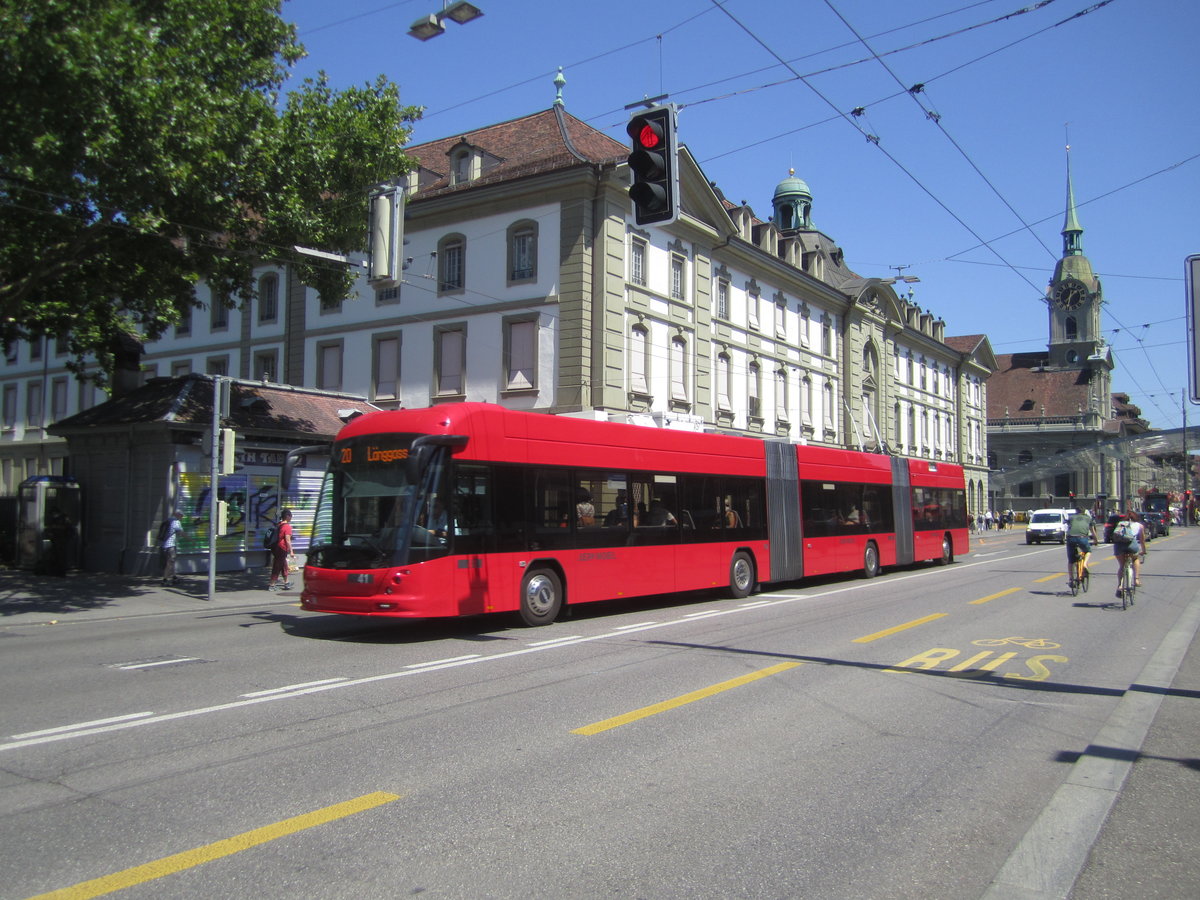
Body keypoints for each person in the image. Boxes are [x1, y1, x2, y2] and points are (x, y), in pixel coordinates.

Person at [1111, 511, 1146, 596]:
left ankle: (1120, 585)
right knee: (1135, 558)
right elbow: (1142, 540)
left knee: (1122, 566)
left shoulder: (1121, 524)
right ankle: (1136, 579)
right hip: (1131, 545)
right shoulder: (1139, 526)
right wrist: (1144, 551)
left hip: (1119, 546)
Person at [1065, 505, 1096, 583]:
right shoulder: (1088, 518)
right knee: (1088, 551)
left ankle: (1071, 579)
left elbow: (1068, 527)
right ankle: (1085, 564)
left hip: (1071, 538)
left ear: (1076, 511)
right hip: (1082, 538)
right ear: (1084, 512)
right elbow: (1092, 531)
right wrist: (1096, 540)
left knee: (1071, 561)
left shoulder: (1071, 517)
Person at [268, 508, 294, 591]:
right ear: (287, 516)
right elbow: (288, 540)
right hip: (282, 548)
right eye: (290, 516)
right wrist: (291, 551)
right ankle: (272, 584)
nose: (291, 518)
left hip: (276, 548)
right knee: (277, 566)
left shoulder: (279, 524)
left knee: (283, 565)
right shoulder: (287, 527)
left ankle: (286, 582)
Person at [160, 511, 184, 586]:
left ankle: (174, 577)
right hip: (170, 546)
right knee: (169, 563)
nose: (182, 517)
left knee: (172, 562)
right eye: (181, 515)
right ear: (178, 515)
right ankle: (164, 580)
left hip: (164, 545)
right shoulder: (176, 522)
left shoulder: (168, 520)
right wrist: (191, 540)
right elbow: (181, 533)